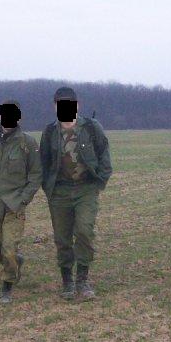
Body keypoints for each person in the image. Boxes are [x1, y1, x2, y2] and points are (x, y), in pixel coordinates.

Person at [39, 86, 112, 300]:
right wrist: (48, 188)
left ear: (77, 105)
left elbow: (104, 155)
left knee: (84, 231)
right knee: (62, 238)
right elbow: (43, 163)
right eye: (60, 104)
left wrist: (99, 182)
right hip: (59, 191)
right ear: (55, 107)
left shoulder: (91, 128)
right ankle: (67, 281)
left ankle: (82, 280)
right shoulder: (50, 132)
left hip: (86, 189)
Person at [0, 100, 42, 304]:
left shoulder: (27, 143)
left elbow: (36, 174)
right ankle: (14, 263)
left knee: (9, 247)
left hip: (15, 205)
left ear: (19, 117)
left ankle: (7, 284)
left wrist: (23, 199)